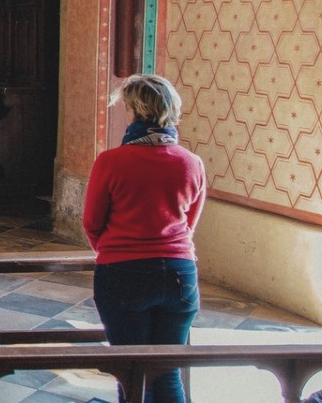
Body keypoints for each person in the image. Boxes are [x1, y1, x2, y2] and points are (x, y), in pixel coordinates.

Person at [84, 74, 206, 403]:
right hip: (179, 275)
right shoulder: (191, 163)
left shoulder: (111, 162)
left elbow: (93, 223)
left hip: (123, 275)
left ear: (134, 111)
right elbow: (188, 224)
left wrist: (114, 252)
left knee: (132, 373)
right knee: (167, 373)